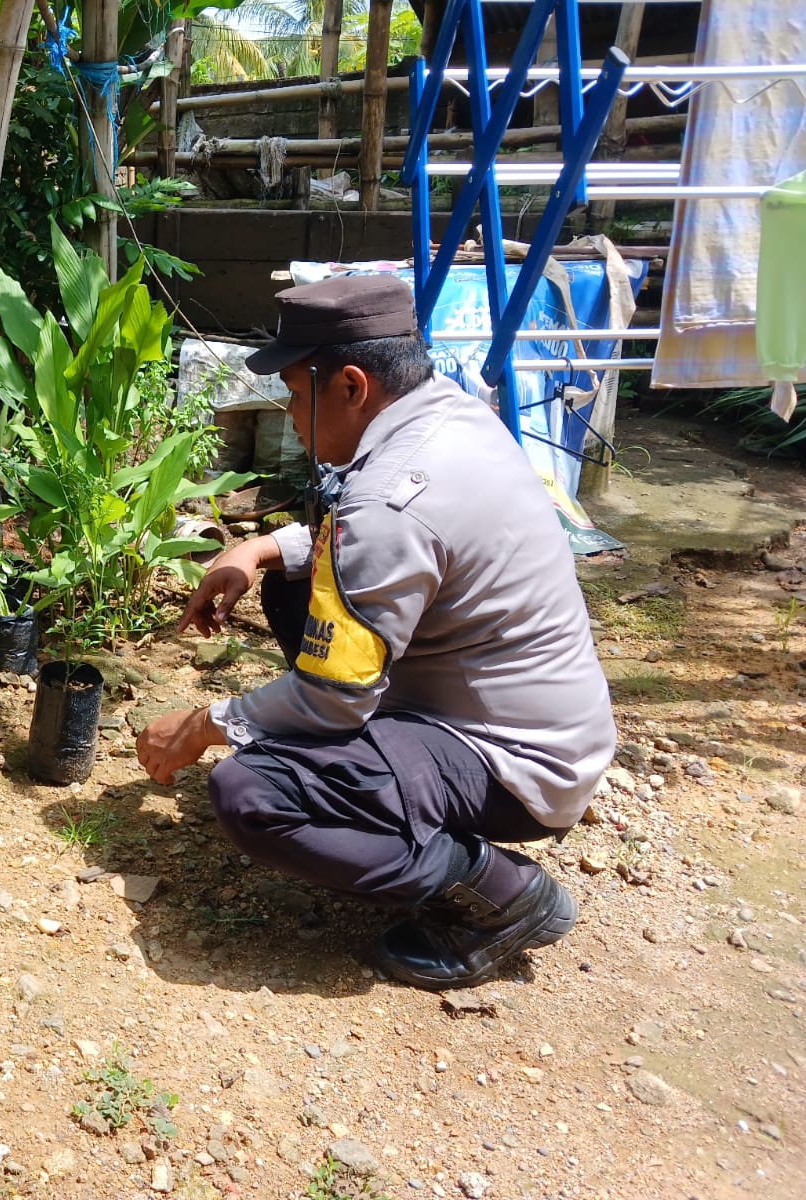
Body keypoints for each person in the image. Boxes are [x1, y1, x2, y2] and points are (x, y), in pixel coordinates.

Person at [136, 274, 616, 990]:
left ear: (352, 386)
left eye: (299, 394)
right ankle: (394, 787)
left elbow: (336, 696)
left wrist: (207, 724)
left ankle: (501, 895)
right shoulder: (450, 415)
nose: (295, 416)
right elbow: (373, 548)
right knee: (294, 582)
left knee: (251, 793)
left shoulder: (393, 497)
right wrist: (258, 549)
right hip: (532, 718)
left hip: (516, 765)